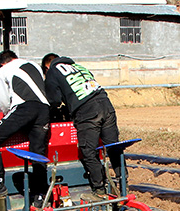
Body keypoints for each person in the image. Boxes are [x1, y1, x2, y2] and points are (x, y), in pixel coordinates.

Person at [42, 53, 121, 199]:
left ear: (46, 67)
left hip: (87, 111)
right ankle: (123, 183)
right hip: (105, 103)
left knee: (88, 151)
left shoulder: (53, 71)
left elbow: (54, 100)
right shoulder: (78, 66)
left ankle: (99, 190)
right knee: (113, 146)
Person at [0, 51, 51, 202]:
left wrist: (6, 116)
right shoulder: (33, 65)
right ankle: (39, 195)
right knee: (38, 152)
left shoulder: (3, 70)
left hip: (24, 108)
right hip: (44, 109)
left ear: (2, 63)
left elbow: (4, 101)